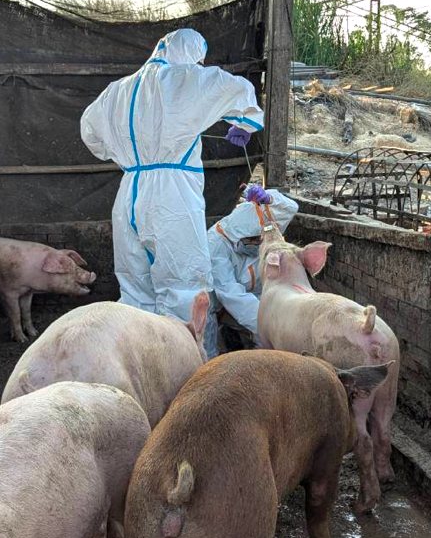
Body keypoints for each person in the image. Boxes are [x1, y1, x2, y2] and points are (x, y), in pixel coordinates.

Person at [80, 29, 265, 323]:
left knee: (135, 288)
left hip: (129, 190)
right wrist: (246, 123)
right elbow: (238, 90)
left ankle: (142, 359)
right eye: (198, 60)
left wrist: (126, 150)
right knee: (184, 286)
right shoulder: (182, 78)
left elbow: (90, 135)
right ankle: (189, 362)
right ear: (190, 55)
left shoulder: (116, 90)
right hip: (172, 195)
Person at [204, 184, 298, 358]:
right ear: (241, 237)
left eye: (261, 239)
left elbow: (291, 209)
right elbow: (233, 296)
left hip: (257, 296)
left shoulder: (264, 225)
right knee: (210, 349)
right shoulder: (216, 246)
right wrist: (274, 325)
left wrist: (270, 198)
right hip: (221, 303)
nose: (260, 244)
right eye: (255, 240)